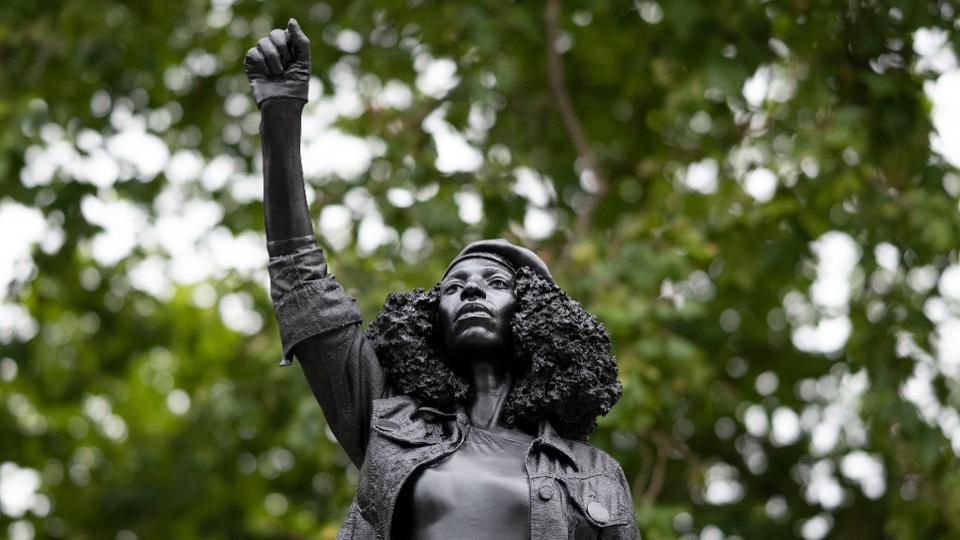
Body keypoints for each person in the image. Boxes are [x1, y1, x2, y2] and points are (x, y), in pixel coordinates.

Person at [244, 19, 641, 540]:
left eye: (495, 283)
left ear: (534, 319)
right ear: (433, 326)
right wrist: (280, 108)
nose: (471, 290)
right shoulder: (389, 424)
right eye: (453, 288)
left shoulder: (595, 474)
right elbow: (302, 280)